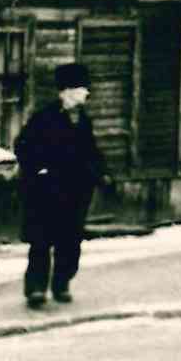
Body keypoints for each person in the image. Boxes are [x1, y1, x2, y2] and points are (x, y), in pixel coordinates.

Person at [12, 62, 113, 308]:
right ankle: (36, 289)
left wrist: (103, 174)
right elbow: (23, 146)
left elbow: (91, 152)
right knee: (42, 242)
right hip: (46, 192)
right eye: (82, 89)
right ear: (67, 91)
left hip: (75, 193)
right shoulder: (44, 118)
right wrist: (39, 170)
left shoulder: (84, 121)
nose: (86, 93)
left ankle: (61, 285)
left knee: (70, 242)